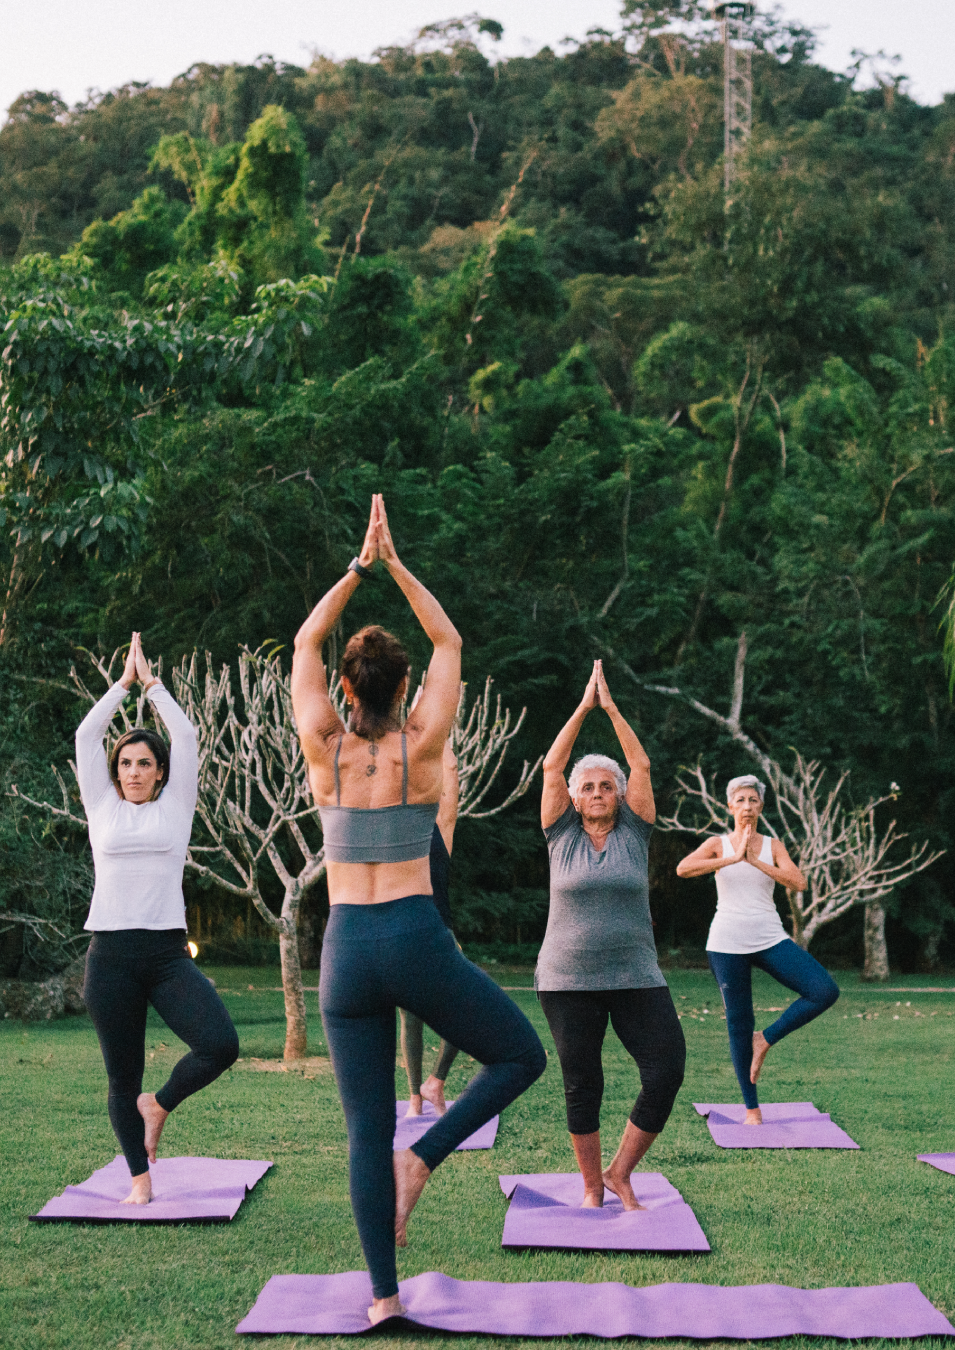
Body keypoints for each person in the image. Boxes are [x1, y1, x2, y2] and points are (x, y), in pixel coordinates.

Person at [292, 494, 545, 1327]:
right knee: (517, 1055)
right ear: (404, 686)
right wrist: (393, 564)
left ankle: (382, 1299)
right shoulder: (421, 744)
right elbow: (449, 639)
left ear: (341, 688)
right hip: (411, 933)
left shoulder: (323, 748)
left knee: (366, 1129)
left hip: (344, 949)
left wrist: (353, 571)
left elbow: (303, 640)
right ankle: (426, 1158)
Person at [77, 632, 239, 1205]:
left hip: (168, 956)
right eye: (126, 763)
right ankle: (139, 1180)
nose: (135, 771)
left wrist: (153, 686)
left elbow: (188, 734)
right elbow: (86, 734)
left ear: (162, 773)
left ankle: (160, 1103)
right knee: (122, 1079)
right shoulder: (101, 806)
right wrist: (121, 687)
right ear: (114, 771)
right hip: (111, 958)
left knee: (220, 1045)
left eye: (146, 763)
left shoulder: (176, 806)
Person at [536, 659, 685, 1212]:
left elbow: (640, 762)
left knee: (666, 1069)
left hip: (635, 976)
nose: (598, 792)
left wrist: (612, 708)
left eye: (607, 786)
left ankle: (622, 1171)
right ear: (575, 798)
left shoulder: (635, 833)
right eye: (588, 787)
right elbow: (553, 767)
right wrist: (582, 708)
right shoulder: (560, 835)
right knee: (582, 1083)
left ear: (620, 796)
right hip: (566, 978)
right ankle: (592, 1188)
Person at [676, 774, 838, 1123]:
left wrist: (753, 859)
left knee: (823, 990)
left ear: (761, 806)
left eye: (753, 800)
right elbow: (683, 869)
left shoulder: (773, 845)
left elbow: (799, 882)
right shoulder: (718, 843)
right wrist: (732, 858)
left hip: (770, 938)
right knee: (738, 1021)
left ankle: (764, 1039)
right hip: (726, 942)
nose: (747, 806)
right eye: (741, 800)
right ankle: (752, 1109)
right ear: (730, 806)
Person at [402, 738, 462, 1117]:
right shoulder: (393, 837)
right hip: (407, 932)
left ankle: (433, 1083)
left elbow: (451, 776)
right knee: (411, 1019)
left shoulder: (441, 828)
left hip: (438, 933)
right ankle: (415, 1098)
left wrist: (440, 732)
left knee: (463, 1011)